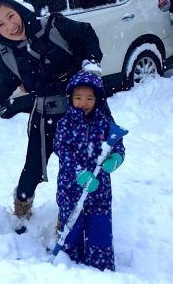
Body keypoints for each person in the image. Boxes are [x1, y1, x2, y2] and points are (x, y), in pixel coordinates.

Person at [0, 0, 103, 234]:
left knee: (77, 167)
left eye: (10, 16)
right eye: (0, 25)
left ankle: (71, 216)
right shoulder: (6, 55)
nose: (10, 26)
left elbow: (86, 34)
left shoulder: (53, 26)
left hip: (76, 111)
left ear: (19, 11)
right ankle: (21, 210)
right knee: (33, 168)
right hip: (44, 112)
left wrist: (90, 60)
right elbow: (8, 83)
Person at [53, 71, 125, 271]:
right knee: (72, 224)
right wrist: (79, 173)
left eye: (89, 98)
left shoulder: (103, 123)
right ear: (70, 98)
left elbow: (118, 144)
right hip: (71, 187)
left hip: (99, 188)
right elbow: (62, 149)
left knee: (99, 226)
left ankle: (99, 264)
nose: (83, 102)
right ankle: (68, 262)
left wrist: (116, 158)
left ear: (97, 100)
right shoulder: (65, 124)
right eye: (78, 98)